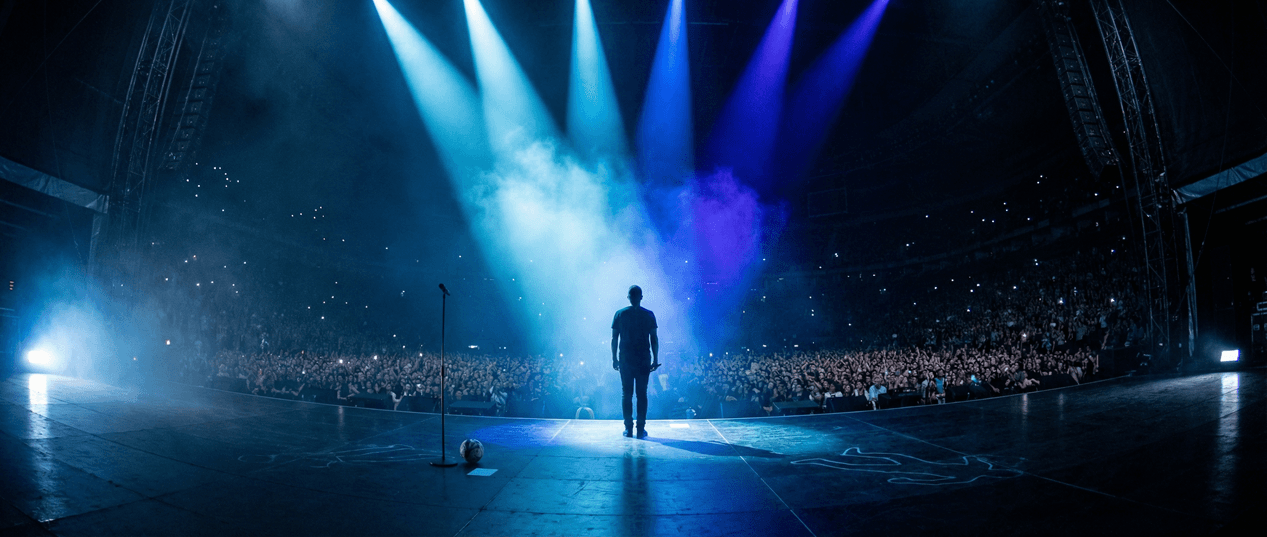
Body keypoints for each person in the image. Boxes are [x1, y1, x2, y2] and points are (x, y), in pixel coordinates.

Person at [612, 285, 659, 438]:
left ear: (628, 297)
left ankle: (628, 428)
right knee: (641, 394)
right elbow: (654, 338)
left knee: (627, 394)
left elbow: (614, 338)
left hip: (625, 359)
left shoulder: (619, 314)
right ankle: (640, 428)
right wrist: (655, 358)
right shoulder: (649, 314)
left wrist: (614, 358)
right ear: (641, 297)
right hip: (643, 359)